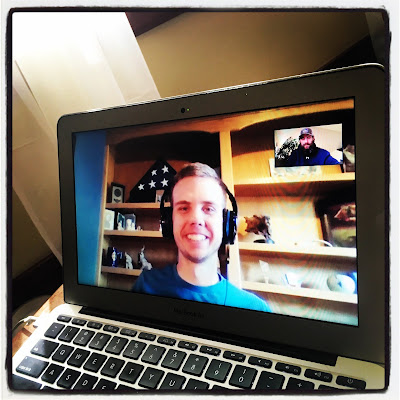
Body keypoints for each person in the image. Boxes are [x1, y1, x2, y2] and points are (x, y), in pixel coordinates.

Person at [132, 162, 271, 312]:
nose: (196, 219)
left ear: (226, 223)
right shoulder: (145, 286)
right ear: (169, 221)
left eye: (209, 209)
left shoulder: (255, 310)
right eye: (184, 208)